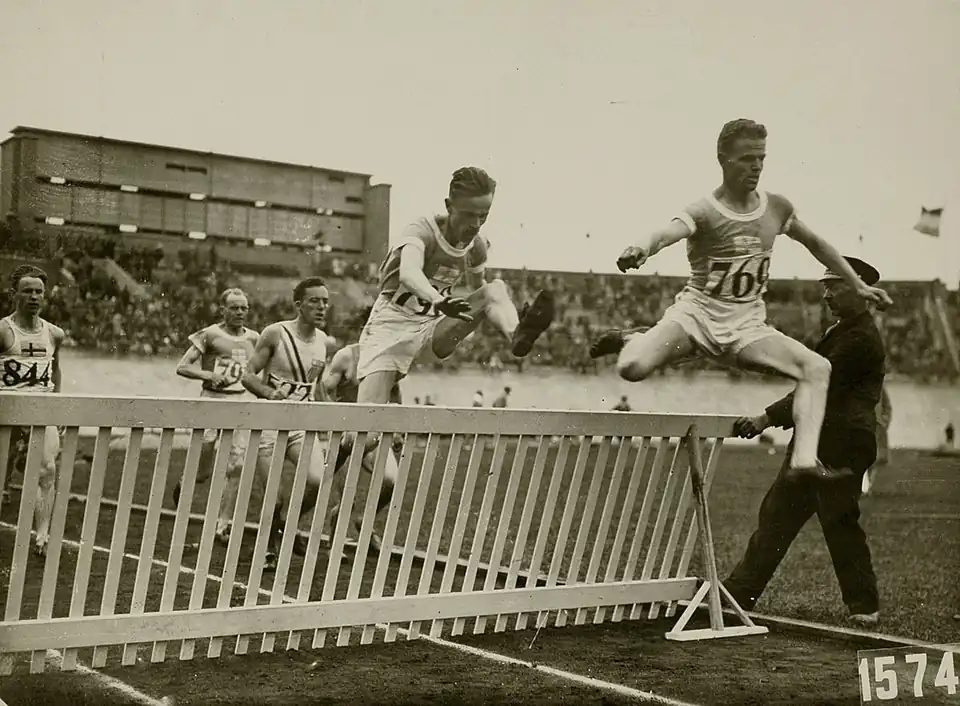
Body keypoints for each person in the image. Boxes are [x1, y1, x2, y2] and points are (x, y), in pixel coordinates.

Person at [595, 118, 892, 478]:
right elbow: (667, 233)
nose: (756, 167)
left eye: (762, 159)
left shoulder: (776, 208)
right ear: (723, 159)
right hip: (697, 318)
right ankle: (634, 339)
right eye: (747, 159)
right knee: (631, 368)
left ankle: (803, 461)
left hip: (746, 327)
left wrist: (857, 284)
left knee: (817, 368)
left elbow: (816, 243)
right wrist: (641, 248)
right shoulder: (705, 210)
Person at [333, 166, 555, 468]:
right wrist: (439, 300)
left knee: (495, 289)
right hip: (390, 329)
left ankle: (517, 335)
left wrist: (473, 316)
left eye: (484, 216)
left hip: (432, 328)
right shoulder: (421, 230)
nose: (476, 224)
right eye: (469, 215)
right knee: (364, 436)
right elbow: (410, 273)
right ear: (449, 206)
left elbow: (481, 294)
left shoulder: (476, 247)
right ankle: (330, 468)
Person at [724, 256, 886, 626]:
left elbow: (817, 390)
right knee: (776, 518)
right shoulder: (843, 331)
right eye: (825, 285)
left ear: (860, 289)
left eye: (835, 286)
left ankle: (865, 607)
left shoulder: (859, 339)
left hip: (841, 446)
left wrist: (765, 417)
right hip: (814, 445)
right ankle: (738, 594)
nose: (826, 295)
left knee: (838, 522)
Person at [240, 277, 332, 571]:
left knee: (318, 480)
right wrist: (270, 393)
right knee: (274, 495)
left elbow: (315, 387)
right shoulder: (275, 333)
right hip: (269, 424)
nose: (321, 307)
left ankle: (284, 526)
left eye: (325, 301)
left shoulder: (323, 342)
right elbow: (248, 375)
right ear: (298, 305)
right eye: (314, 301)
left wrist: (328, 414)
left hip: (301, 425)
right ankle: (268, 547)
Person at [172, 288, 260, 543]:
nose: (240, 312)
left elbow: (256, 371)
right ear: (222, 309)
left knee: (236, 466)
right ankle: (184, 486)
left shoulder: (254, 337)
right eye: (234, 307)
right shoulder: (209, 334)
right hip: (211, 402)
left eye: (244, 307)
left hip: (240, 403)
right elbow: (183, 366)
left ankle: (222, 523)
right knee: (202, 472)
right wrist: (209, 375)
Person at [318, 314, 403, 549]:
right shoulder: (347, 356)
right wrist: (338, 419)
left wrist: (396, 430)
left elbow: (395, 394)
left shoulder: (390, 358)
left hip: (375, 433)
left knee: (391, 481)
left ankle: (365, 521)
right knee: (347, 492)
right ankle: (335, 542)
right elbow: (325, 389)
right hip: (348, 434)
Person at [0, 265, 64, 556]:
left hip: (41, 408)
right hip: (7, 411)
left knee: (47, 470)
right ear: (14, 294)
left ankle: (42, 534)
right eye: (27, 291)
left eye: (39, 291)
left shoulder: (54, 333)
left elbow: (56, 370)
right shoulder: (3, 330)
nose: (34, 297)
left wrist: (57, 405)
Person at [861, 384, 891, 496]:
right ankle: (864, 486)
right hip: (861, 425)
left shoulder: (880, 387)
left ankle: (868, 485)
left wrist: (884, 421)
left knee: (875, 459)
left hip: (877, 426)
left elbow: (887, 406)